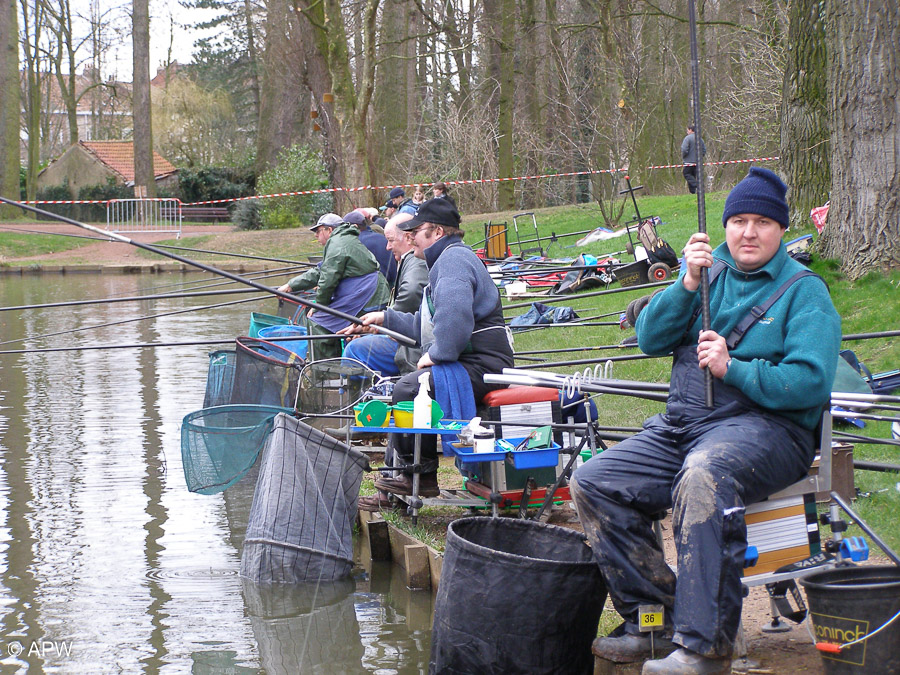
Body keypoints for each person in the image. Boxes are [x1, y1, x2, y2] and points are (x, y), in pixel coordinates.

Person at [571, 167, 841, 675]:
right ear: (725, 226)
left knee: (704, 475)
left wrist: (733, 367)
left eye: (762, 222)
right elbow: (650, 337)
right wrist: (686, 282)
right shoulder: (706, 272)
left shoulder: (805, 293)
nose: (749, 232)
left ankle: (705, 646)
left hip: (770, 429)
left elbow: (810, 382)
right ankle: (654, 620)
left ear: (781, 230)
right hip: (685, 424)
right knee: (595, 481)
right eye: (738, 220)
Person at [340, 198, 514, 498]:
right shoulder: (445, 259)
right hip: (473, 360)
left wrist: (436, 356)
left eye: (415, 231)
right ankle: (405, 474)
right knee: (407, 386)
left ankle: (419, 476)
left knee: (409, 389)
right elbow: (425, 324)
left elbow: (456, 319)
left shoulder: (452, 261)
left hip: (484, 364)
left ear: (435, 232)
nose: (410, 238)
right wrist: (382, 320)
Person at [277, 213, 390, 359]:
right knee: (321, 316)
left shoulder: (338, 243)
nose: (316, 236)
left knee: (317, 322)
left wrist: (319, 305)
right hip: (367, 292)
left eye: (318, 231)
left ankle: (326, 371)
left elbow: (327, 279)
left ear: (329, 230)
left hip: (368, 296)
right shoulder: (342, 240)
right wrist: (291, 285)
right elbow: (321, 271)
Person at [342, 212, 428, 378]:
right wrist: (378, 325)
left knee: (355, 349)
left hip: (414, 347)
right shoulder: (410, 259)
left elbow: (412, 292)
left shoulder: (415, 260)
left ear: (408, 237)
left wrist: (387, 321)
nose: (387, 247)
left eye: (390, 240)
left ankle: (356, 399)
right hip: (412, 336)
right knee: (356, 342)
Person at [344, 209, 397, 285]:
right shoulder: (383, 238)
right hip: (392, 286)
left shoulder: (356, 243)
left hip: (373, 289)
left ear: (354, 226)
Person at [681, 125, 706, 194]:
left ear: (690, 130)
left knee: (686, 174)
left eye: (687, 130)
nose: (687, 132)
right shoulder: (700, 139)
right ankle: (693, 192)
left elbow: (684, 149)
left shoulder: (687, 138)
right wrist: (700, 157)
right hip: (698, 162)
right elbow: (704, 150)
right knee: (693, 176)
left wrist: (684, 156)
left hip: (688, 161)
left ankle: (697, 186)